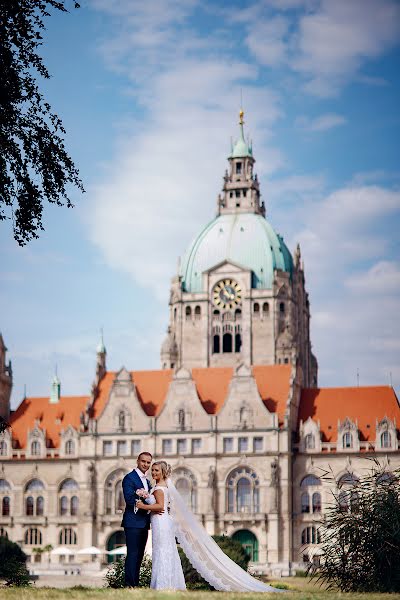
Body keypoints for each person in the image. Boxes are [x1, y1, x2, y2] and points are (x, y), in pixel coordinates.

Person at [136, 460, 283, 593]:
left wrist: (142, 504)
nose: (153, 472)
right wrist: (146, 497)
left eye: (156, 470)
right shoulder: (161, 486)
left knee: (162, 551)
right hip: (160, 521)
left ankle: (162, 584)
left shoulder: (159, 488)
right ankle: (165, 583)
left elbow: (160, 506)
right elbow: (161, 505)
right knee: (164, 551)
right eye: (153, 470)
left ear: (163, 472)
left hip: (161, 522)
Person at [121, 452, 163, 587]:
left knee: (139, 556)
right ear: (137, 461)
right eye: (143, 461)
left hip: (144, 523)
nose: (145, 464)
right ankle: (129, 585)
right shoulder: (129, 478)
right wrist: (144, 501)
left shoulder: (147, 481)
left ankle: (135, 585)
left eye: (148, 462)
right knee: (132, 554)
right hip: (133, 522)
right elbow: (129, 498)